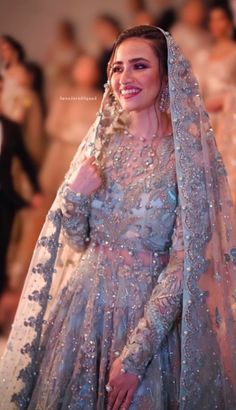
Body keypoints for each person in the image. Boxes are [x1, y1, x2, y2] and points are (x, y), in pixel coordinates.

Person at [0, 25, 236, 410]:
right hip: (83, 309)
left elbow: (184, 265)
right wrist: (75, 195)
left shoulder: (185, 162)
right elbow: (78, 241)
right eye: (116, 68)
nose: (124, 78)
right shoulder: (104, 146)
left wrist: (135, 355)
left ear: (166, 75)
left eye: (139, 66)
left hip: (145, 320)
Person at [194, 2, 236, 205]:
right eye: (212, 20)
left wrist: (227, 98)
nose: (216, 24)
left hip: (231, 121)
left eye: (221, 18)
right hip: (207, 121)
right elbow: (194, 91)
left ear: (229, 21)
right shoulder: (202, 57)